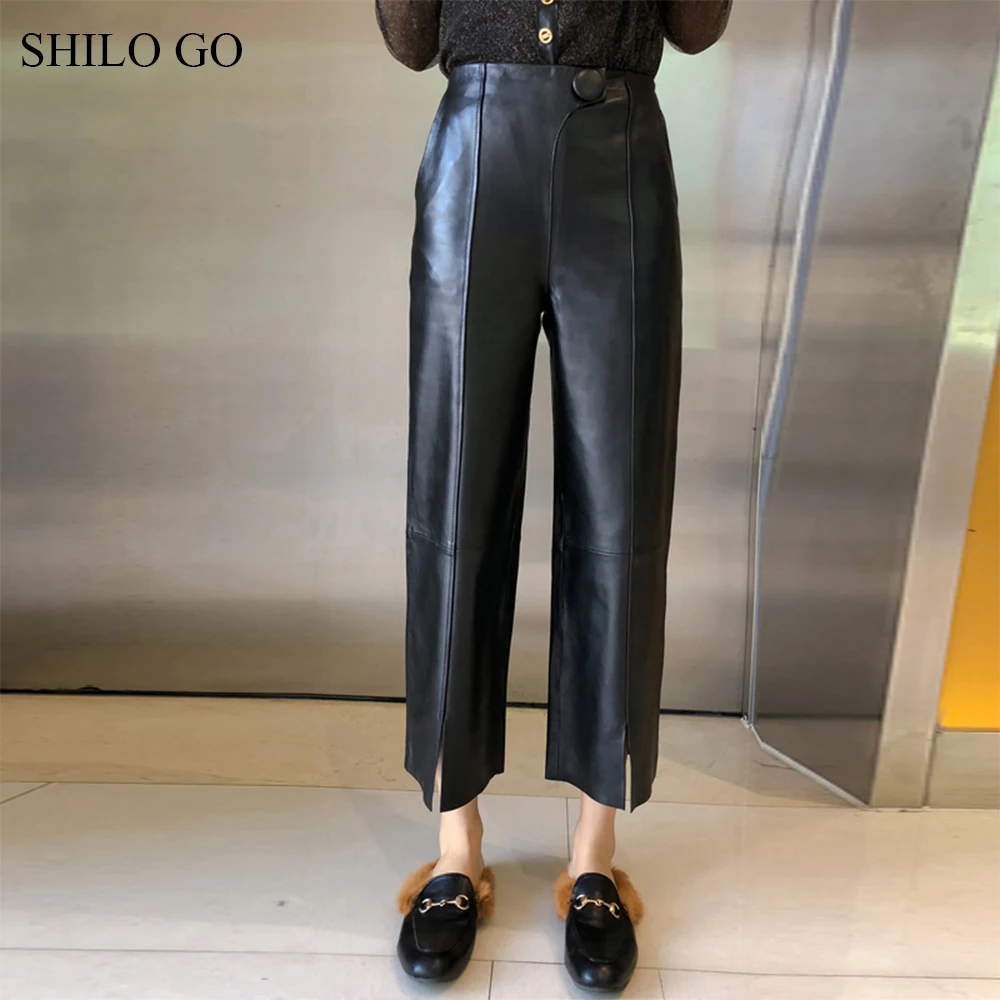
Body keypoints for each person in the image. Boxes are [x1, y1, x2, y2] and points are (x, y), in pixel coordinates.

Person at [376, 0, 731, 990]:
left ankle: (593, 859)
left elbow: (696, 28)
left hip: (618, 153)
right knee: (453, 500)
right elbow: (411, 41)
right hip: (477, 148)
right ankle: (455, 853)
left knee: (621, 507)